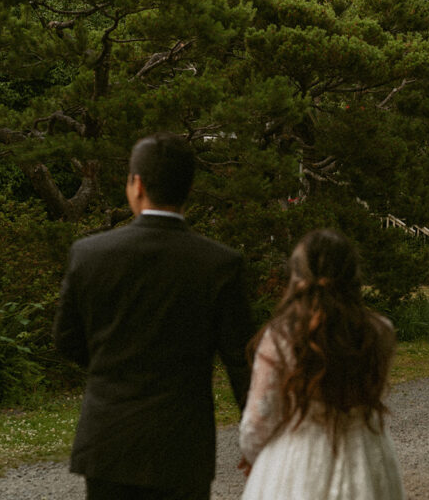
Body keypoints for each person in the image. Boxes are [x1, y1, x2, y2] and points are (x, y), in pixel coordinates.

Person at [54, 133, 254, 500]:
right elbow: (242, 362)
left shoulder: (90, 254)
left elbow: (67, 340)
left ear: (137, 184)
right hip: (182, 445)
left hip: (108, 439)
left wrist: (110, 365)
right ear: (189, 188)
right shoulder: (220, 264)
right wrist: (257, 439)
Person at [238, 229, 404, 500]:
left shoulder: (282, 335)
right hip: (364, 455)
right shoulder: (379, 331)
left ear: (298, 275)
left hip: (298, 459)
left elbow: (259, 420)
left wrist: (255, 457)